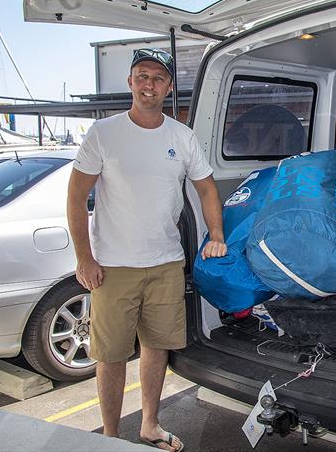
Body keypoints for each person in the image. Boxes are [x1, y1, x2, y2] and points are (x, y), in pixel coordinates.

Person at [67, 48, 227, 452]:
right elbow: (75, 196)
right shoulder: (103, 133)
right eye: (141, 76)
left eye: (157, 78)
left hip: (166, 263)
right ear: (130, 83)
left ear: (168, 87)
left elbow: (207, 186)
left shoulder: (181, 136)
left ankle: (150, 425)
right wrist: (84, 257)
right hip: (113, 267)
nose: (149, 84)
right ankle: (109, 437)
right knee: (112, 355)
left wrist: (216, 233)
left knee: (156, 348)